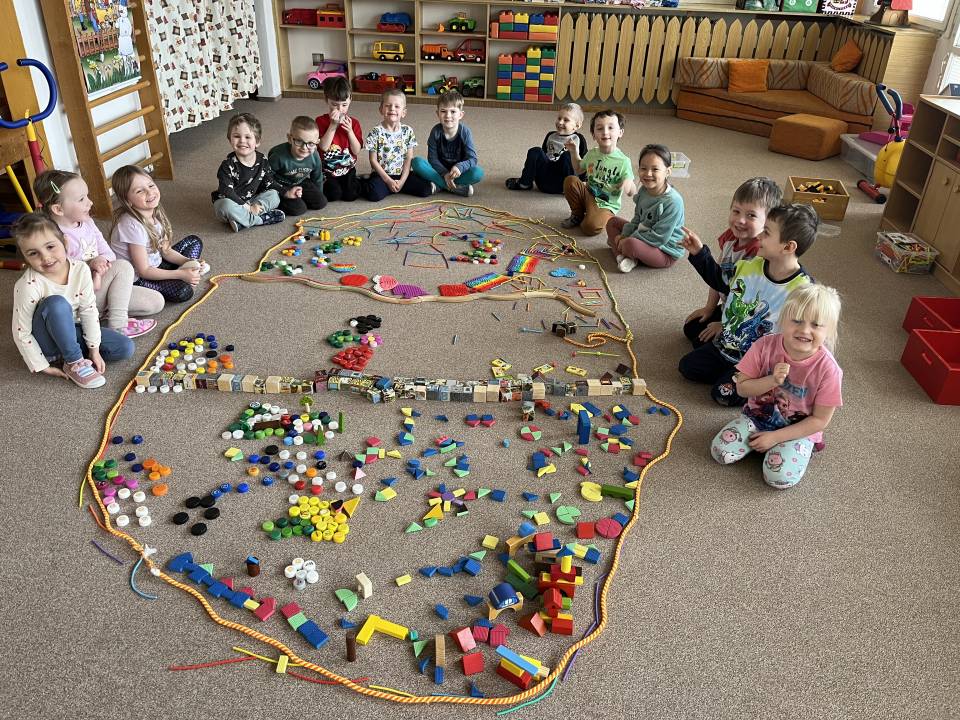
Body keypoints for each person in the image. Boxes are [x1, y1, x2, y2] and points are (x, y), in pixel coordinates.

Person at [678, 203, 818, 406]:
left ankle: (752, 383)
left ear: (788, 247)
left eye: (766, 233)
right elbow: (720, 281)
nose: (759, 236)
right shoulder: (750, 266)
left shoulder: (803, 291)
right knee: (687, 367)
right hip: (727, 345)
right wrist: (700, 253)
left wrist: (781, 373)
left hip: (757, 363)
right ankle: (729, 373)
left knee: (721, 394)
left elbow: (806, 337)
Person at [710, 284, 842, 489]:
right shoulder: (763, 346)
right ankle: (766, 443)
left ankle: (790, 447)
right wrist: (771, 381)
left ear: (829, 331)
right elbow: (742, 389)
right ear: (782, 319)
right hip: (757, 418)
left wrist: (775, 438)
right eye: (796, 320)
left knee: (778, 477)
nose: (804, 330)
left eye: (816, 325)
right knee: (720, 452)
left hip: (797, 430)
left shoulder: (829, 370)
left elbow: (820, 420)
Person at [34, 169, 161, 338]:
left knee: (156, 302)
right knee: (123, 267)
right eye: (82, 199)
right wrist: (92, 266)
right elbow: (63, 278)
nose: (90, 202)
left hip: (99, 289)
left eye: (87, 196)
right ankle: (118, 325)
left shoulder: (87, 222)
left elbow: (109, 254)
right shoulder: (53, 238)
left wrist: (101, 261)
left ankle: (103, 314)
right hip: (78, 301)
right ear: (58, 209)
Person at [11, 213, 134, 388]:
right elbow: (21, 331)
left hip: (72, 329)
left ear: (65, 243)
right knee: (57, 303)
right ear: (25, 257)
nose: (45, 257)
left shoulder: (81, 269)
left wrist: (94, 350)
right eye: (33, 253)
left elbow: (88, 310)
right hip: (46, 342)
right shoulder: (28, 285)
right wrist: (42, 365)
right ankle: (73, 361)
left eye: (50, 247)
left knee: (125, 347)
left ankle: (70, 351)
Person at [683, 177, 782, 348]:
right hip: (729, 306)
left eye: (751, 215)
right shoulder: (730, 236)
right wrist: (709, 308)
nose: (740, 220)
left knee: (701, 345)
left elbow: (750, 303)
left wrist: (724, 325)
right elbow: (718, 275)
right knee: (691, 328)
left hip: (746, 318)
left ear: (768, 222)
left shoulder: (758, 253)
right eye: (736, 211)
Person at [110, 165, 206, 304]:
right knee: (183, 292)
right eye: (139, 191)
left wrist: (188, 261)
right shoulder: (131, 226)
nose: (149, 192)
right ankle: (180, 275)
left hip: (156, 263)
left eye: (151, 185)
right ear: (127, 200)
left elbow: (166, 251)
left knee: (194, 241)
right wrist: (180, 274)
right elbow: (144, 271)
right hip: (140, 278)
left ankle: (183, 273)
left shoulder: (153, 211)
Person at [605, 143, 684, 272]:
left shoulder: (673, 201)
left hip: (664, 250)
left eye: (655, 169)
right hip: (644, 233)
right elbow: (637, 219)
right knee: (612, 222)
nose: (648, 173)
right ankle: (622, 257)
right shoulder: (643, 190)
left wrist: (628, 239)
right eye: (643, 168)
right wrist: (624, 235)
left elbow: (659, 237)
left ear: (668, 172)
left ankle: (624, 251)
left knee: (630, 244)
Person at [561, 109, 635, 236]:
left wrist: (628, 184)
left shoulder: (623, 161)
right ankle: (577, 214)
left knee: (590, 227)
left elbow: (631, 191)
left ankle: (601, 216)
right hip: (589, 193)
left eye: (610, 127)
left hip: (606, 204)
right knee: (570, 181)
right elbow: (578, 169)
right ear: (593, 134)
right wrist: (574, 152)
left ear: (620, 132)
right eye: (600, 128)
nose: (605, 132)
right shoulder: (592, 154)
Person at [212, 112, 285, 232]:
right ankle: (259, 220)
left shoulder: (262, 160)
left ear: (257, 142)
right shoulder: (227, 165)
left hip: (252, 199)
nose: (242, 141)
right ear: (230, 140)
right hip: (232, 202)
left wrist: (286, 192)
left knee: (274, 196)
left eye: (247, 137)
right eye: (236, 136)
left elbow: (269, 182)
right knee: (224, 206)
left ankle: (241, 221)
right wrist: (247, 207)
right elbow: (227, 191)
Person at [411, 90, 483, 197]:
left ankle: (439, 185)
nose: (448, 115)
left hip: (458, 173)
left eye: (453, 112)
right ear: (437, 114)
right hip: (439, 171)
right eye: (443, 111)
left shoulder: (465, 132)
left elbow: (473, 159)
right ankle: (454, 188)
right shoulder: (435, 132)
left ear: (461, 114)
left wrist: (460, 167)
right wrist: (444, 174)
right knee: (416, 162)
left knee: (477, 173)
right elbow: (432, 159)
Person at [364, 89, 433, 201]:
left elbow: (408, 158)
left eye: (397, 106)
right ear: (381, 109)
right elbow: (373, 160)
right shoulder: (375, 132)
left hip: (402, 174)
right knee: (373, 194)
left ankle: (397, 186)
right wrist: (388, 181)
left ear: (403, 112)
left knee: (425, 189)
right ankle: (382, 184)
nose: (392, 109)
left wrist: (402, 181)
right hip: (382, 175)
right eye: (388, 105)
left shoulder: (408, 131)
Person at [505, 103, 587, 194]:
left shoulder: (579, 139)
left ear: (577, 125)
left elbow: (584, 163)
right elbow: (543, 155)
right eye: (559, 118)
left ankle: (572, 188)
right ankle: (525, 183)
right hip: (544, 180)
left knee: (568, 155)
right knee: (536, 151)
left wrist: (584, 182)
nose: (560, 122)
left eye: (566, 120)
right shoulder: (550, 135)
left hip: (564, 182)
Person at [315, 76, 364, 202]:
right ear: (326, 99)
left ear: (350, 99)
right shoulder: (320, 121)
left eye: (344, 105)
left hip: (348, 168)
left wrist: (350, 132)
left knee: (351, 195)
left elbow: (356, 150)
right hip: (327, 170)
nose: (340, 109)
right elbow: (323, 147)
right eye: (334, 105)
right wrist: (332, 126)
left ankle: (360, 180)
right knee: (333, 195)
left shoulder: (354, 123)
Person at [268, 115, 327, 217]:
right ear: (290, 139)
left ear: (317, 143)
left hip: (301, 182)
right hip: (281, 185)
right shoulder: (278, 156)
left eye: (311, 143)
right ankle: (278, 203)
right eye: (299, 141)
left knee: (321, 202)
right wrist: (283, 192)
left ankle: (299, 197)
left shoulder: (315, 156)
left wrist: (318, 193)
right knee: (299, 209)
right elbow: (267, 177)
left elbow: (317, 177)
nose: (304, 148)